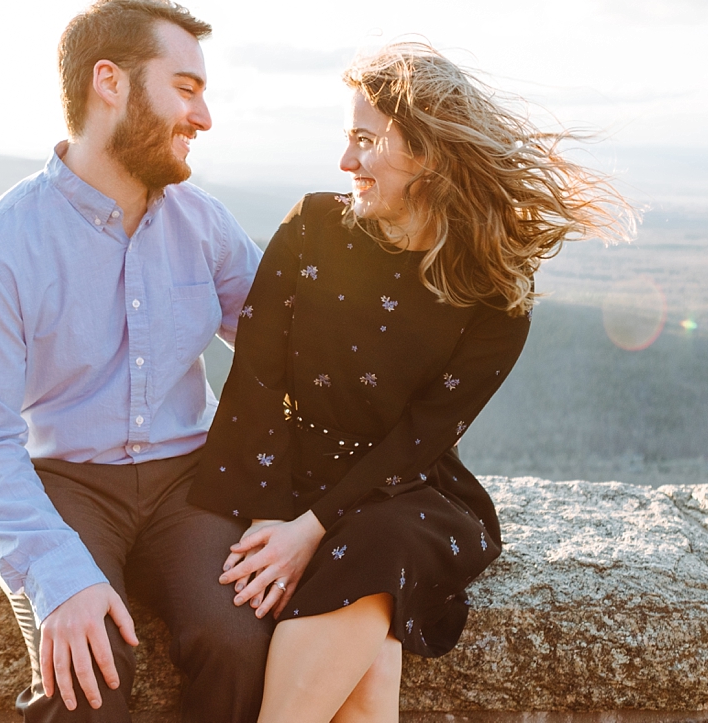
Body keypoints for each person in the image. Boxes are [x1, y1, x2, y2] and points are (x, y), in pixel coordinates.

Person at [189, 42, 633, 722]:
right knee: (373, 655)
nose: (345, 163)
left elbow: (421, 438)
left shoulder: (497, 295)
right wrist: (270, 517)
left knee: (380, 544)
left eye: (366, 141)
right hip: (284, 477)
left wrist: (312, 527)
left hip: (401, 488)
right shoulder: (311, 228)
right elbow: (254, 380)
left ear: (425, 153)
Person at [0, 0, 272, 722]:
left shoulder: (203, 223)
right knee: (86, 669)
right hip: (65, 485)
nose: (204, 118)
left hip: (191, 484)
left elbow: (291, 350)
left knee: (240, 643)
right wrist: (57, 574)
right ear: (109, 83)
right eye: (186, 90)